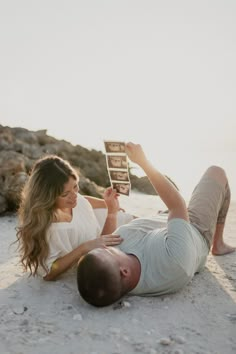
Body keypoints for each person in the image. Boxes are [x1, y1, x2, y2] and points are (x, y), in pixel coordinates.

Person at [77, 142, 235, 307]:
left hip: (161, 222)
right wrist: (143, 162)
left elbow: (106, 240)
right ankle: (218, 244)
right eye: (108, 251)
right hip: (194, 226)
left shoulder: (111, 272)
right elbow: (177, 205)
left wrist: (111, 212)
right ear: (124, 271)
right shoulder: (174, 263)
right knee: (216, 172)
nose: (104, 246)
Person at [15, 154, 135, 280]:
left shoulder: (74, 199)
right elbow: (49, 273)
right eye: (65, 194)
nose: (74, 196)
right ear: (47, 198)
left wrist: (105, 203)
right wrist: (83, 248)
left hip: (94, 226)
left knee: (132, 219)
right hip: (95, 246)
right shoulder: (51, 228)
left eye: (75, 186)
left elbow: (84, 199)